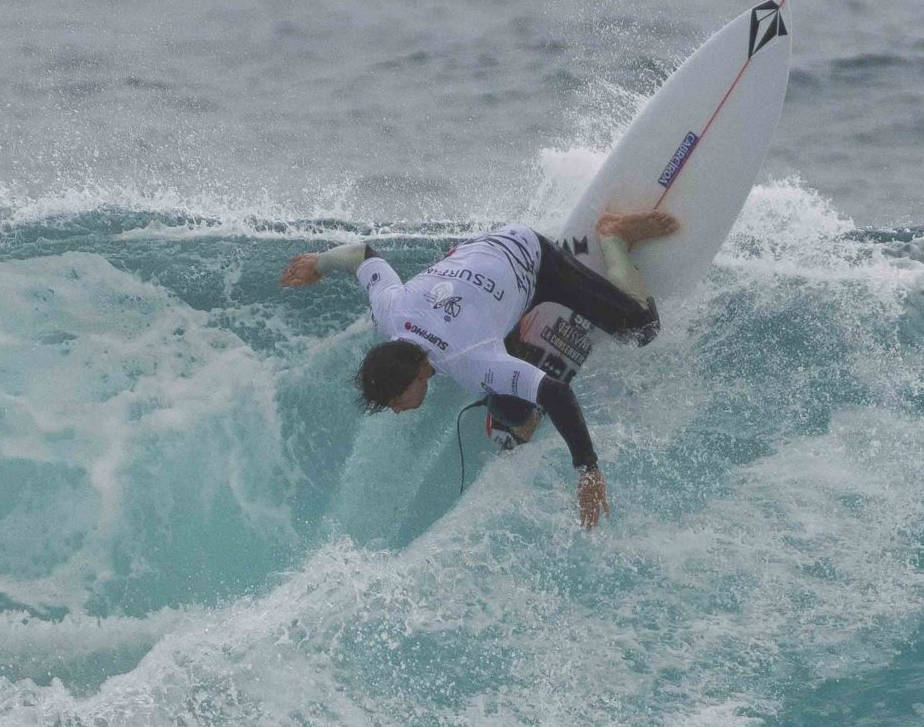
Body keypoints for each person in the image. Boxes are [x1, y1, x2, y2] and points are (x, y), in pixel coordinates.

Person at [281, 212, 678, 529]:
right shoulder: (391, 312)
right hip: (477, 265)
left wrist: (588, 469)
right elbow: (362, 256)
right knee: (515, 420)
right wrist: (319, 262)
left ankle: (614, 235)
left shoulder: (471, 362)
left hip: (530, 258)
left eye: (395, 401)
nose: (397, 410)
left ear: (418, 375)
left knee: (643, 330)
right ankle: (511, 332)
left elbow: (557, 393)